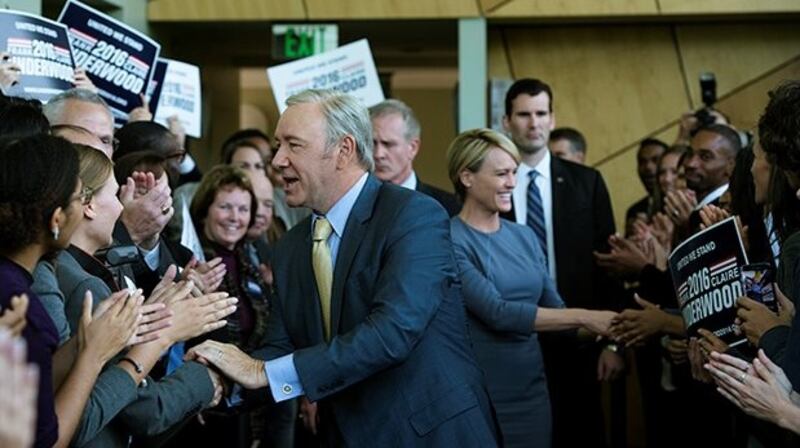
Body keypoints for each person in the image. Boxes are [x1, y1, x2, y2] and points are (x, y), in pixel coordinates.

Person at [186, 89, 499, 447]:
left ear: (343, 150)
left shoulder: (413, 216)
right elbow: (280, 346)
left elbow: (392, 333)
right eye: (278, 145)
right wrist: (219, 382)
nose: (277, 161)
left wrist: (261, 371)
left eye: (293, 145)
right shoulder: (290, 247)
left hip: (428, 435)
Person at [33, 144, 234, 447]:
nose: (121, 207)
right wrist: (192, 369)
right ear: (87, 204)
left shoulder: (78, 269)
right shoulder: (80, 285)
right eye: (115, 196)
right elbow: (130, 410)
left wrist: (148, 319)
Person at [447, 128, 616, 446]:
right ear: (467, 177)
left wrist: (615, 327)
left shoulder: (523, 236)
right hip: (481, 394)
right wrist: (586, 317)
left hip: (532, 392)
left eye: (514, 172)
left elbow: (559, 316)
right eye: (501, 174)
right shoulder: (450, 239)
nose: (512, 183)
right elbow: (498, 313)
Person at [500, 77, 623, 447]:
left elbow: (610, 266)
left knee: (581, 433)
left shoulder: (588, 182)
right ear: (507, 122)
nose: (533, 123)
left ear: (552, 119)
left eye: (541, 113)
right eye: (523, 114)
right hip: (512, 338)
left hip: (580, 340)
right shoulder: (493, 184)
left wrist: (615, 344)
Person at [0, 135, 143, 448]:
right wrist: (94, 354)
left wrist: (85, 338)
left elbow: (32, 386)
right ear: (56, 219)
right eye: (80, 198)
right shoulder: (19, 310)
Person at [369, 98, 461, 216]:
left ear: (413, 148)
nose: (378, 154)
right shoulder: (351, 203)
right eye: (372, 143)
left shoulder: (447, 208)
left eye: (388, 144)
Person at [626, 138, 668, 234]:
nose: (648, 167)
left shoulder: (681, 203)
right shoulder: (634, 212)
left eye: (655, 160)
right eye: (642, 162)